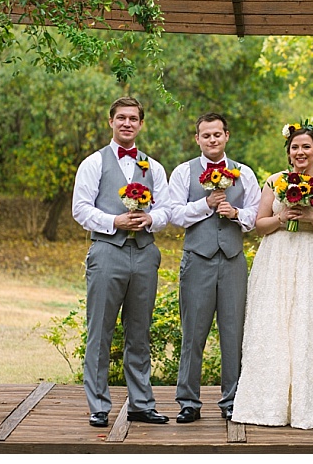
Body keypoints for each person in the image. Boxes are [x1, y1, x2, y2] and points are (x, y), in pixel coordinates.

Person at [232, 122, 313, 430]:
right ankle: (270, 404)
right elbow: (259, 225)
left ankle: (310, 402)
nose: (300, 152)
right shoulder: (275, 181)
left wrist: (312, 216)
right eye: (295, 147)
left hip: (311, 258)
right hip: (277, 257)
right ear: (288, 152)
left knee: (309, 324)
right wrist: (280, 216)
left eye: (306, 147)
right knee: (273, 325)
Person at [72, 96, 172, 427]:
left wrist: (150, 220)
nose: (127, 123)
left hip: (144, 253)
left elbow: (167, 210)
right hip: (106, 252)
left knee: (139, 332)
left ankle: (141, 403)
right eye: (121, 118)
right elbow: (81, 208)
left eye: (133, 118)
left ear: (141, 124)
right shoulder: (94, 163)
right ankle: (98, 405)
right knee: (100, 330)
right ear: (111, 122)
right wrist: (114, 222)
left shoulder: (153, 167)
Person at [168, 113, 261, 423]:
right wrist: (205, 205)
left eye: (217, 134)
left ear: (226, 136)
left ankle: (232, 400)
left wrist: (234, 212)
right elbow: (174, 215)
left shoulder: (244, 173)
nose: (212, 139)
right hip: (197, 261)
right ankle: (188, 402)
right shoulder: (184, 172)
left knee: (233, 334)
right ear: (198, 139)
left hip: (233, 260)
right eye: (206, 135)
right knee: (193, 333)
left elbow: (256, 217)